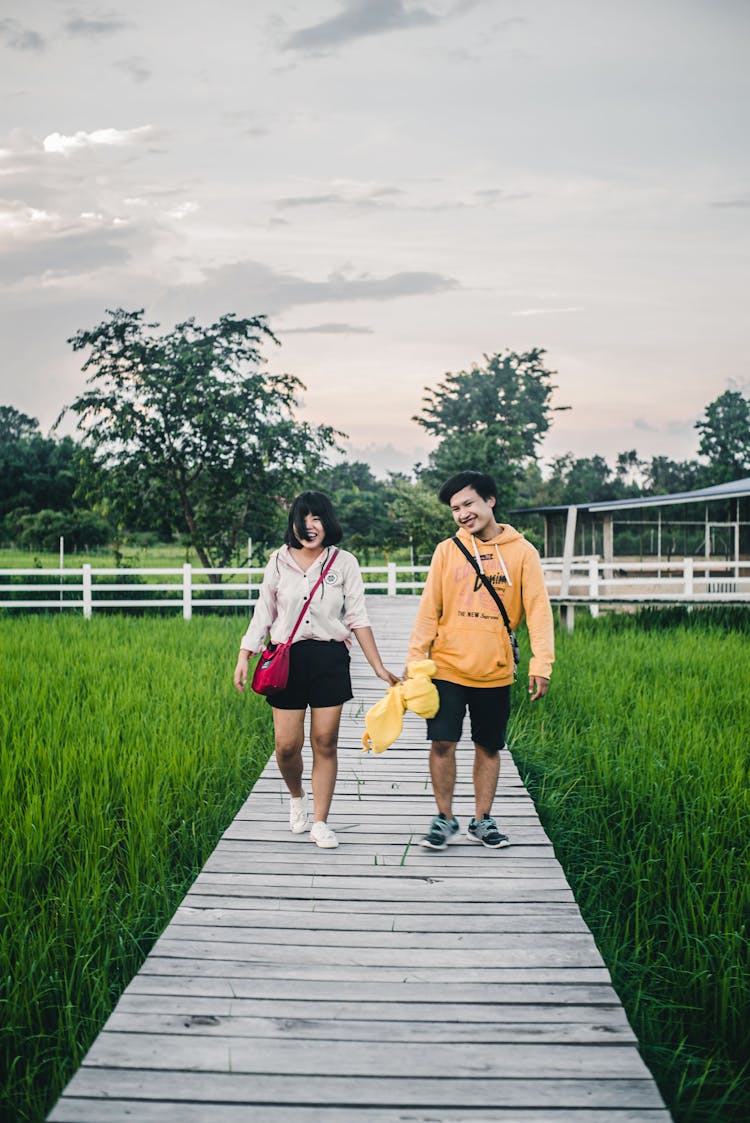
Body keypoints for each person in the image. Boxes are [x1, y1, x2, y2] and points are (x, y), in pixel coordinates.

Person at [234, 491, 399, 849]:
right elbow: (264, 612)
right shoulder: (278, 561)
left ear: (329, 522)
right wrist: (245, 654)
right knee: (286, 745)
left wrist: (378, 667)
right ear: (293, 523)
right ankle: (297, 796)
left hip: (329, 659)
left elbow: (358, 617)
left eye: (318, 518)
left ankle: (321, 822)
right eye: (303, 519)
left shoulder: (344, 563)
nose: (310, 526)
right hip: (285, 659)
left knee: (325, 741)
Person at [406, 470, 554, 850]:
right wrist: (414, 656)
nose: (462, 513)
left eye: (468, 503)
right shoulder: (447, 551)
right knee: (442, 742)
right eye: (455, 508)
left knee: (488, 746)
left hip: (495, 669)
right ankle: (444, 818)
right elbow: (429, 608)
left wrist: (541, 663)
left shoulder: (523, 553)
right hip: (447, 665)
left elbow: (538, 610)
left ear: (490, 501)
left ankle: (482, 820)